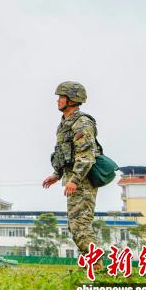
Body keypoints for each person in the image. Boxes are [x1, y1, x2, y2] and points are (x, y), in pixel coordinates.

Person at [42, 81, 101, 263]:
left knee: (80, 227)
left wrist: (74, 180)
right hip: (74, 179)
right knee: (76, 227)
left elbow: (86, 155)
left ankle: (97, 266)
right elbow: (66, 154)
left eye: (62, 97)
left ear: (72, 100)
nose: (58, 100)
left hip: (82, 181)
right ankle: (91, 266)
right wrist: (57, 174)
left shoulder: (82, 123)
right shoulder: (65, 123)